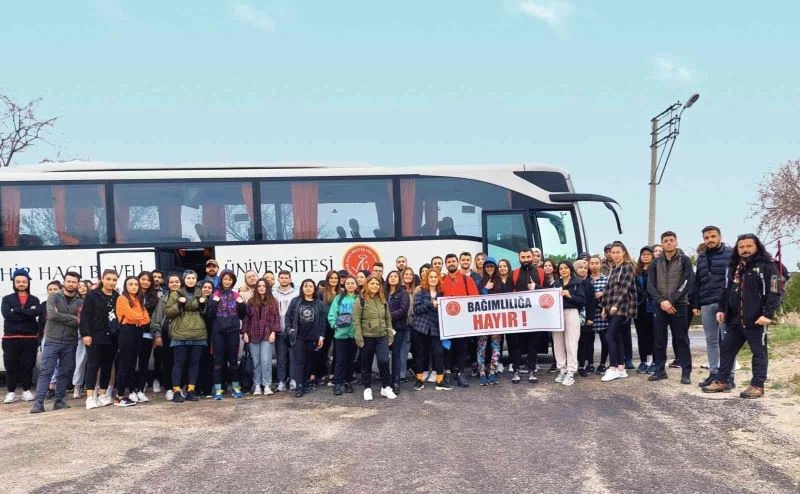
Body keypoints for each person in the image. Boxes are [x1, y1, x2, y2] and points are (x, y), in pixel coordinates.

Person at [702, 234, 780, 399]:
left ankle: (757, 385)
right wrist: (722, 309)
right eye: (741, 247)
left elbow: (774, 290)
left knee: (759, 352)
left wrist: (768, 314)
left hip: (756, 320)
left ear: (756, 247)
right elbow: (725, 290)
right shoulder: (733, 267)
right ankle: (722, 380)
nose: (745, 250)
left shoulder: (767, 265)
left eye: (748, 246)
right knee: (726, 349)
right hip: (734, 319)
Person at [31, 272, 83, 413]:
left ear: (78, 283)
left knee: (64, 373)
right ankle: (38, 403)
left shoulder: (80, 301)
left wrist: (65, 317)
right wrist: (73, 319)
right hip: (52, 340)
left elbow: (81, 320)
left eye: (74, 282)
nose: (71, 284)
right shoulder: (54, 296)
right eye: (69, 281)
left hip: (70, 341)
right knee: (46, 372)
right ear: (64, 282)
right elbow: (52, 315)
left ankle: (59, 401)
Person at [648, 231, 695, 384]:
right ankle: (660, 370)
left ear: (676, 242)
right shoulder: (656, 263)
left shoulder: (685, 260)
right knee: (659, 340)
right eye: (665, 241)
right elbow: (651, 285)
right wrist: (662, 301)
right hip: (660, 306)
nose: (668, 243)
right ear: (662, 244)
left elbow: (687, 283)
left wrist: (672, 301)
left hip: (679, 306)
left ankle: (686, 372)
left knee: (681, 339)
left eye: (671, 240)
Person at [691, 226, 735, 388]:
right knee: (711, 341)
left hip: (725, 304)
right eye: (706, 237)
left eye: (712, 236)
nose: (710, 240)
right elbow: (698, 282)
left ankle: (729, 375)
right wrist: (696, 303)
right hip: (706, 303)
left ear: (720, 237)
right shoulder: (701, 257)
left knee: (728, 341)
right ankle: (714, 373)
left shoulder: (730, 254)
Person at [164, 270, 208, 403]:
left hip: (198, 331)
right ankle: (176, 391)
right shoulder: (175, 293)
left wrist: (202, 305)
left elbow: (207, 311)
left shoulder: (201, 292)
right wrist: (179, 304)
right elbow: (168, 312)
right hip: (180, 332)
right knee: (178, 363)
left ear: (196, 279)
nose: (191, 280)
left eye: (193, 278)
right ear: (184, 280)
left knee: (194, 363)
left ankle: (191, 391)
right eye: (188, 278)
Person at [80, 269, 119, 410]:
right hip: (95, 336)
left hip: (112, 337)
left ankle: (103, 395)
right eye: (108, 279)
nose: (111, 282)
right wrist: (86, 334)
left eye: (114, 280)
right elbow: (85, 316)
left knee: (107, 367)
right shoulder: (92, 295)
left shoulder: (117, 297)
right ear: (102, 279)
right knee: (93, 365)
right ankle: (90, 397)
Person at [353, 276, 396, 401]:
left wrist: (390, 334)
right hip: (367, 337)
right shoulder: (360, 300)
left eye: (377, 284)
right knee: (366, 363)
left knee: (384, 361)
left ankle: (386, 387)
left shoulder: (382, 299)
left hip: (382, 336)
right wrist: (359, 338)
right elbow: (356, 320)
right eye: (372, 283)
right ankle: (367, 388)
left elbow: (387, 318)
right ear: (367, 284)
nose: (375, 286)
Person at [2, 268, 41, 404]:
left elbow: (36, 313)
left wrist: (17, 311)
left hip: (29, 338)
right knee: (10, 365)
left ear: (28, 283)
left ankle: (26, 390)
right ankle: (11, 392)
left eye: (24, 281)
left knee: (28, 365)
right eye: (18, 281)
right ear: (14, 283)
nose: (21, 284)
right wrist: (26, 312)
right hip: (10, 338)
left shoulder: (34, 299)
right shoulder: (7, 299)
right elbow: (7, 315)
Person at [440, 253, 480, 388]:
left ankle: (461, 373)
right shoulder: (442, 280)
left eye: (453, 261)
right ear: (446, 264)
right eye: (448, 262)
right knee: (447, 348)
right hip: (446, 323)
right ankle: (448, 373)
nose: (451, 263)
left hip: (462, 322)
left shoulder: (466, 279)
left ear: (457, 263)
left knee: (462, 348)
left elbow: (475, 297)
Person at [600, 243, 637, 382]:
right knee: (618, 337)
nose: (615, 255)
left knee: (609, 335)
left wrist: (616, 305)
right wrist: (604, 306)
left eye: (617, 252)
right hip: (610, 307)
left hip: (621, 307)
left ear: (623, 253)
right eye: (613, 252)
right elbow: (609, 290)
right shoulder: (613, 269)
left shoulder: (627, 267)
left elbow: (625, 288)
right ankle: (621, 368)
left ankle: (613, 367)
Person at [285, 279, 326, 398]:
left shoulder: (318, 303)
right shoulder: (296, 301)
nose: (308, 288)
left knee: (309, 362)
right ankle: (299, 386)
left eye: (311, 286)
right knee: (299, 362)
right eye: (306, 286)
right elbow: (287, 317)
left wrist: (321, 337)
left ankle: (304, 382)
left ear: (314, 289)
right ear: (302, 288)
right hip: (298, 337)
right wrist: (289, 330)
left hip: (313, 337)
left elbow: (323, 322)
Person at [114, 276, 151, 406]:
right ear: (126, 285)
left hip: (138, 331)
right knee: (124, 363)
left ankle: (131, 391)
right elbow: (131, 315)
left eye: (136, 284)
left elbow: (147, 319)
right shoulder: (122, 298)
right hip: (126, 331)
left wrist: (140, 319)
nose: (134, 286)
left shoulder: (139, 299)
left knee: (132, 363)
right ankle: (119, 395)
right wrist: (140, 318)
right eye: (131, 284)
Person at [412, 269, 450, 391]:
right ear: (427, 279)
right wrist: (430, 304)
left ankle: (440, 381)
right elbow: (416, 310)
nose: (433, 279)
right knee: (420, 354)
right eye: (431, 276)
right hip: (420, 327)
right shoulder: (421, 292)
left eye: (435, 277)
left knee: (438, 353)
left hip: (435, 328)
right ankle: (419, 380)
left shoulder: (442, 293)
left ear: (439, 279)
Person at [510, 249, 545, 382]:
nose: (525, 259)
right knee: (516, 345)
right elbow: (507, 293)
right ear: (519, 258)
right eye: (523, 257)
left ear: (533, 257)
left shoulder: (541, 272)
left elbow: (548, 292)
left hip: (535, 315)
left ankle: (531, 370)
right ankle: (516, 371)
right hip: (517, 316)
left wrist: (536, 288)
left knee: (533, 344)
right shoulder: (514, 273)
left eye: (528, 257)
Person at [241, 279, 280, 396]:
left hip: (267, 333)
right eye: (259, 286)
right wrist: (245, 333)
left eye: (264, 286)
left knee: (266, 360)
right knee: (256, 361)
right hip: (253, 334)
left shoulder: (273, 301)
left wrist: (274, 332)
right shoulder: (251, 302)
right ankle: (257, 385)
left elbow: (276, 318)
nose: (262, 288)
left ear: (267, 288)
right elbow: (246, 319)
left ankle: (267, 385)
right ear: (256, 288)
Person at [210, 269, 245, 400]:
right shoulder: (215, 294)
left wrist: (242, 304)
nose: (227, 281)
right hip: (218, 332)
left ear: (233, 281)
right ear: (221, 280)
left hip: (232, 332)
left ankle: (236, 387)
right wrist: (214, 302)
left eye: (230, 279)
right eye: (225, 279)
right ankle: (218, 389)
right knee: (218, 361)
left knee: (233, 361)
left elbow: (242, 315)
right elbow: (209, 315)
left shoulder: (236, 295)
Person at [553, 261, 585, 386]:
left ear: (570, 269)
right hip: (557, 314)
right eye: (561, 268)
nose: (563, 270)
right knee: (558, 342)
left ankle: (571, 371)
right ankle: (562, 369)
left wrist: (570, 295)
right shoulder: (556, 284)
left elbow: (582, 302)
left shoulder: (577, 283)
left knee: (571, 342)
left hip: (571, 312)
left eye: (565, 268)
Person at [328, 276, 359, 395]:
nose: (350, 285)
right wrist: (334, 325)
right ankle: (337, 383)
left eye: (352, 283)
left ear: (356, 285)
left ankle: (348, 381)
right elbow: (332, 314)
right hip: (341, 334)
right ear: (344, 285)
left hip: (355, 334)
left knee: (351, 359)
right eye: (348, 283)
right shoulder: (339, 298)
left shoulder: (360, 298)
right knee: (340, 359)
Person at [152, 273, 180, 400]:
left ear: (181, 283)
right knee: (168, 362)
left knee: (180, 362)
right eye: (171, 282)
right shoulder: (163, 299)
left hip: (183, 335)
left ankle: (179, 388)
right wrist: (157, 335)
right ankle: (169, 388)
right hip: (167, 334)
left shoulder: (186, 298)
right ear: (168, 284)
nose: (174, 284)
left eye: (177, 281)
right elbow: (157, 319)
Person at [476, 257, 504, 385]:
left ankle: (492, 371)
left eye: (492, 266)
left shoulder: (500, 282)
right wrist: (485, 289)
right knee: (481, 347)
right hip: (482, 320)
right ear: (484, 268)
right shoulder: (480, 282)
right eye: (487, 266)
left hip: (497, 320)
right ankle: (482, 372)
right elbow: (475, 300)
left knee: (496, 347)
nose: (489, 269)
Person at [135, 271, 159, 399]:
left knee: (144, 363)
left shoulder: (154, 298)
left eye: (148, 280)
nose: (145, 282)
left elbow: (155, 317)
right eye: (142, 279)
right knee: (132, 361)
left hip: (147, 333)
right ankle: (133, 389)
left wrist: (155, 334)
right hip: (133, 332)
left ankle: (141, 389)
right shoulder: (131, 295)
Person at [314, 270, 340, 388]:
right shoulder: (321, 294)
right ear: (327, 279)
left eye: (336, 278)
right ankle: (320, 374)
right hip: (324, 326)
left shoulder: (342, 293)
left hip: (339, 326)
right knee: (321, 351)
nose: (334, 280)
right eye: (331, 278)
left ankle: (333, 375)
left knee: (338, 352)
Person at [273, 270, 298, 392]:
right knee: (281, 358)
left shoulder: (296, 293)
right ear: (278, 279)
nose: (284, 280)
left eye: (286, 278)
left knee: (293, 357)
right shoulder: (273, 294)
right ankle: (281, 382)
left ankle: (293, 380)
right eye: (281, 278)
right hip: (279, 331)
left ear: (290, 279)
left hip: (292, 331)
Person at [386, 270, 410, 394]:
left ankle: (395, 381)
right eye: (391, 276)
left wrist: (386, 316)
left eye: (396, 276)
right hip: (383, 328)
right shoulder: (383, 293)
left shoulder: (403, 293)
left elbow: (403, 310)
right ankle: (386, 380)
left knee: (396, 353)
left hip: (398, 327)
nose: (393, 278)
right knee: (384, 354)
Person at [585, 256, 609, 375]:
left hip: (602, 313)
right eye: (592, 263)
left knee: (605, 340)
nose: (594, 265)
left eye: (596, 263)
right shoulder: (586, 279)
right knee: (589, 341)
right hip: (589, 314)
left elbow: (610, 295)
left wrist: (602, 294)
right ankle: (589, 363)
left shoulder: (606, 279)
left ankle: (603, 364)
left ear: (600, 265)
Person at [634, 247, 656, 374]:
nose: (646, 256)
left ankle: (654, 361)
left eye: (648, 254)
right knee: (641, 336)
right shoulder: (636, 271)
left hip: (652, 306)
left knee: (653, 335)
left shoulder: (656, 270)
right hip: (639, 307)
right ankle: (644, 361)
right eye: (643, 254)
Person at [574, 260, 596, 378]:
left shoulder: (589, 285)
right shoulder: (573, 283)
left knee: (585, 342)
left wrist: (591, 318)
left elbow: (592, 303)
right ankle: (575, 364)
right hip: (574, 317)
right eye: (580, 267)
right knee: (576, 342)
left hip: (586, 318)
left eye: (585, 268)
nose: (583, 270)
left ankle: (583, 365)